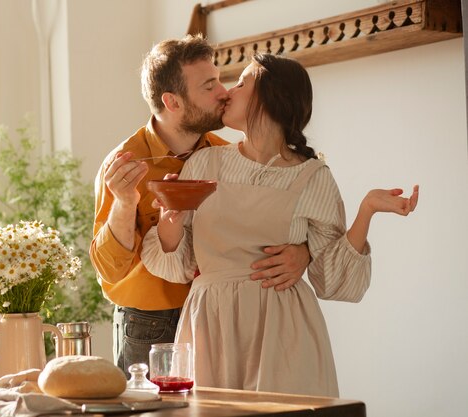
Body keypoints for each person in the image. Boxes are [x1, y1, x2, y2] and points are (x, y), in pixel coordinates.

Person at [141, 53, 419, 397]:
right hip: (210, 326)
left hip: (283, 332)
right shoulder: (204, 163)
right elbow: (176, 265)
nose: (228, 91)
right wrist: (171, 221)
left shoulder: (312, 177)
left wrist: (367, 210)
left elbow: (333, 281)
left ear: (270, 97)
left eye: (242, 83)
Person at [89, 35, 312, 376]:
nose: (223, 92)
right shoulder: (123, 165)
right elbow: (109, 271)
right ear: (172, 102)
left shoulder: (227, 156)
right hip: (149, 327)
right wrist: (124, 203)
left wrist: (304, 251)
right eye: (209, 86)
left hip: (219, 319)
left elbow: (266, 223)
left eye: (220, 80)